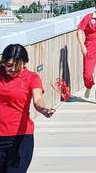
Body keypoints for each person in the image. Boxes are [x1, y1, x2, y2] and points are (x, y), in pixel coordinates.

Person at [0, 44, 55, 173]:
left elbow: (37, 99)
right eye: (9, 65)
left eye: (17, 66)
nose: (12, 69)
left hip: (20, 138)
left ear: (25, 63)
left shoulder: (31, 77)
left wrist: (43, 109)